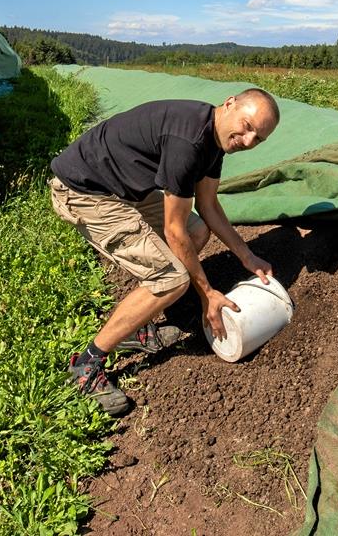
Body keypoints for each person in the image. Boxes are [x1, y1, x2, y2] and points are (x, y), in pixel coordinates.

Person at [49, 88, 280, 415]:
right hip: (87, 191)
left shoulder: (214, 140)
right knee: (171, 280)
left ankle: (137, 325)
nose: (246, 139)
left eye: (258, 138)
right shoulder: (188, 143)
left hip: (121, 185)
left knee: (197, 230)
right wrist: (207, 294)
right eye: (246, 126)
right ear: (229, 104)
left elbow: (209, 206)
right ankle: (86, 364)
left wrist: (246, 255)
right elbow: (173, 231)